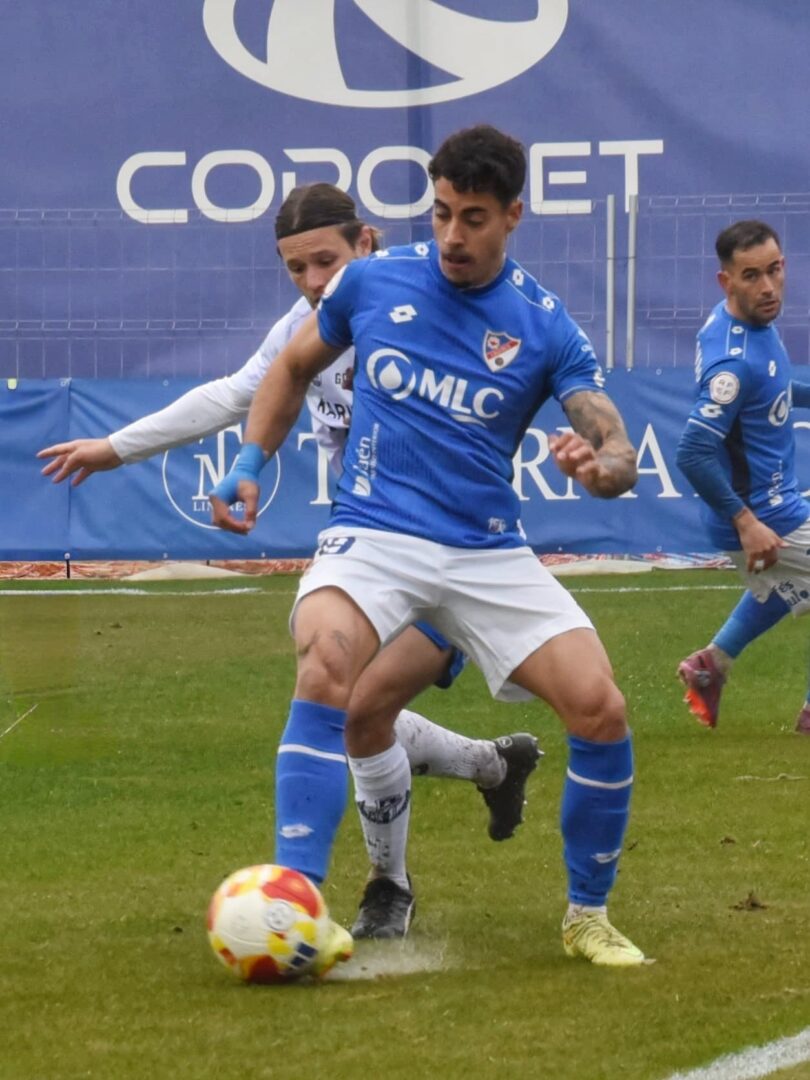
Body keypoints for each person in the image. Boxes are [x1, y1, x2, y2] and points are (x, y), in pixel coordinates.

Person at [38, 182, 542, 944]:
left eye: (325, 262)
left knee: (359, 710)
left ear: (366, 243)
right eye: (296, 269)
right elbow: (235, 395)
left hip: (460, 548)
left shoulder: (434, 301)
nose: (312, 282)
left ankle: (420, 845)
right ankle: (427, 841)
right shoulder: (305, 329)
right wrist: (114, 448)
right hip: (370, 550)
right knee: (352, 706)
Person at [210, 125, 647, 967]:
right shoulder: (371, 281)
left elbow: (616, 445)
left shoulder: (545, 325)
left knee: (602, 708)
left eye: (473, 217)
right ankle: (296, 906)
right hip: (374, 533)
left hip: (485, 550)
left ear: (513, 215)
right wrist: (249, 462)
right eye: (442, 212)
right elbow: (291, 368)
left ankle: (587, 916)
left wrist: (603, 469)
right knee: (326, 665)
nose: (452, 235)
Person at [676, 219, 810, 736]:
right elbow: (692, 452)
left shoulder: (746, 324)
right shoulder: (732, 364)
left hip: (772, 506)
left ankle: (711, 665)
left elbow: (772, 390)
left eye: (774, 270)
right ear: (725, 281)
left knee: (793, 584)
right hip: (762, 514)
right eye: (752, 276)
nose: (769, 287)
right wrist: (747, 523)